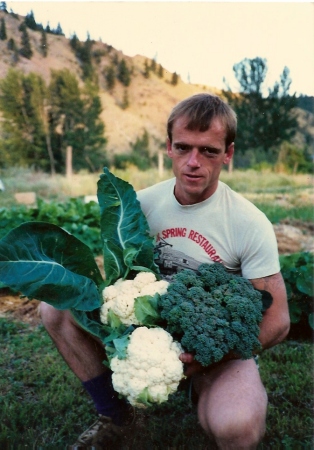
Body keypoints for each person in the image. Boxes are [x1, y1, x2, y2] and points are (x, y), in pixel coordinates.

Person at [40, 93, 290, 449]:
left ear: (228, 154)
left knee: (238, 427)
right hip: (146, 335)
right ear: (169, 148)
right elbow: (114, 275)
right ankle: (114, 416)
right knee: (56, 307)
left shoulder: (249, 223)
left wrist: (204, 359)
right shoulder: (138, 207)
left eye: (209, 151)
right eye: (184, 147)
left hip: (213, 348)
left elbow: (278, 319)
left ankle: (201, 388)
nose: (193, 162)